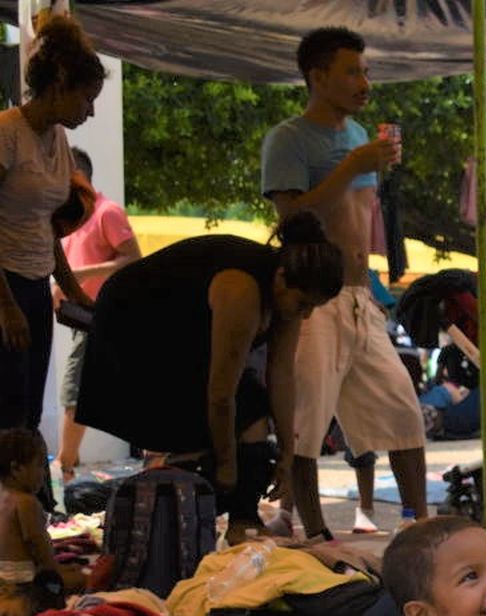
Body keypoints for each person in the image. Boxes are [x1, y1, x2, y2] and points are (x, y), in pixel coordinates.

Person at [75, 215, 344, 542]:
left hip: (179, 338)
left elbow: (281, 376)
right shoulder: (241, 290)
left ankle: (242, 518)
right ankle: (192, 513)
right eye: (303, 304)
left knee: (252, 417)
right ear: (281, 278)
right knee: (232, 427)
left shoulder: (287, 292)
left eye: (313, 307)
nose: (305, 315)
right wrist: (228, 463)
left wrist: (288, 452)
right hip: (129, 338)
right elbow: (220, 395)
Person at [262, 26, 429, 542]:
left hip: (361, 296)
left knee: (403, 408)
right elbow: (291, 216)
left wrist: (366, 165)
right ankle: (314, 532)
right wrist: (352, 168)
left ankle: (419, 522)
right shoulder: (288, 138)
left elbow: (359, 214)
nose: (364, 82)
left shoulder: (359, 137)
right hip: (315, 298)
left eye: (365, 70)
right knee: (306, 420)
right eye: (351, 71)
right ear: (318, 77)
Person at [0, 12, 102, 432]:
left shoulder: (56, 138)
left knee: (27, 408)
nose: (91, 111)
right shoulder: (7, 132)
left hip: (35, 283)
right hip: (5, 284)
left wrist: (75, 290)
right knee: (6, 407)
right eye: (86, 98)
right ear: (59, 87)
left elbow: (45, 226)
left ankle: (26, 493)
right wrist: (6, 307)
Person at [55, 148, 140, 481]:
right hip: (82, 319)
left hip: (101, 319)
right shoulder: (73, 214)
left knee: (74, 395)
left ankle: (62, 473)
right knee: (85, 395)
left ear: (77, 176)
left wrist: (76, 275)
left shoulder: (107, 212)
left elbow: (133, 259)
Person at [0, 429, 59, 587]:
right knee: (81, 578)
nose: (44, 474)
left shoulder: (3, 496)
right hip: (23, 580)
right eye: (40, 465)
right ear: (17, 469)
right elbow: (39, 545)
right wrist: (56, 574)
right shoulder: (26, 502)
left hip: (3, 577)